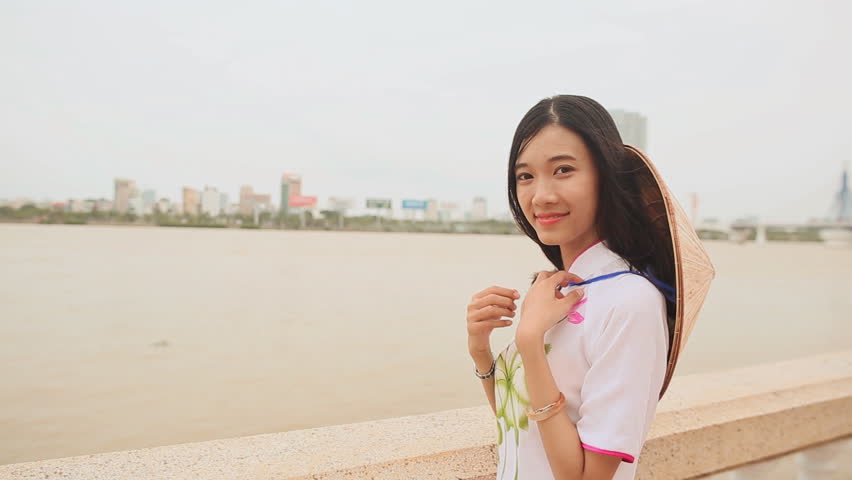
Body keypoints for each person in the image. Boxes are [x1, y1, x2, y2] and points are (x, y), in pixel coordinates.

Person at [465, 95, 715, 480]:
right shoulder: (554, 292)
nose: (541, 195)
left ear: (605, 177)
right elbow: (517, 423)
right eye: (525, 176)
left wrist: (530, 341)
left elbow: (587, 477)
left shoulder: (631, 303)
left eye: (563, 170)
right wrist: (481, 351)